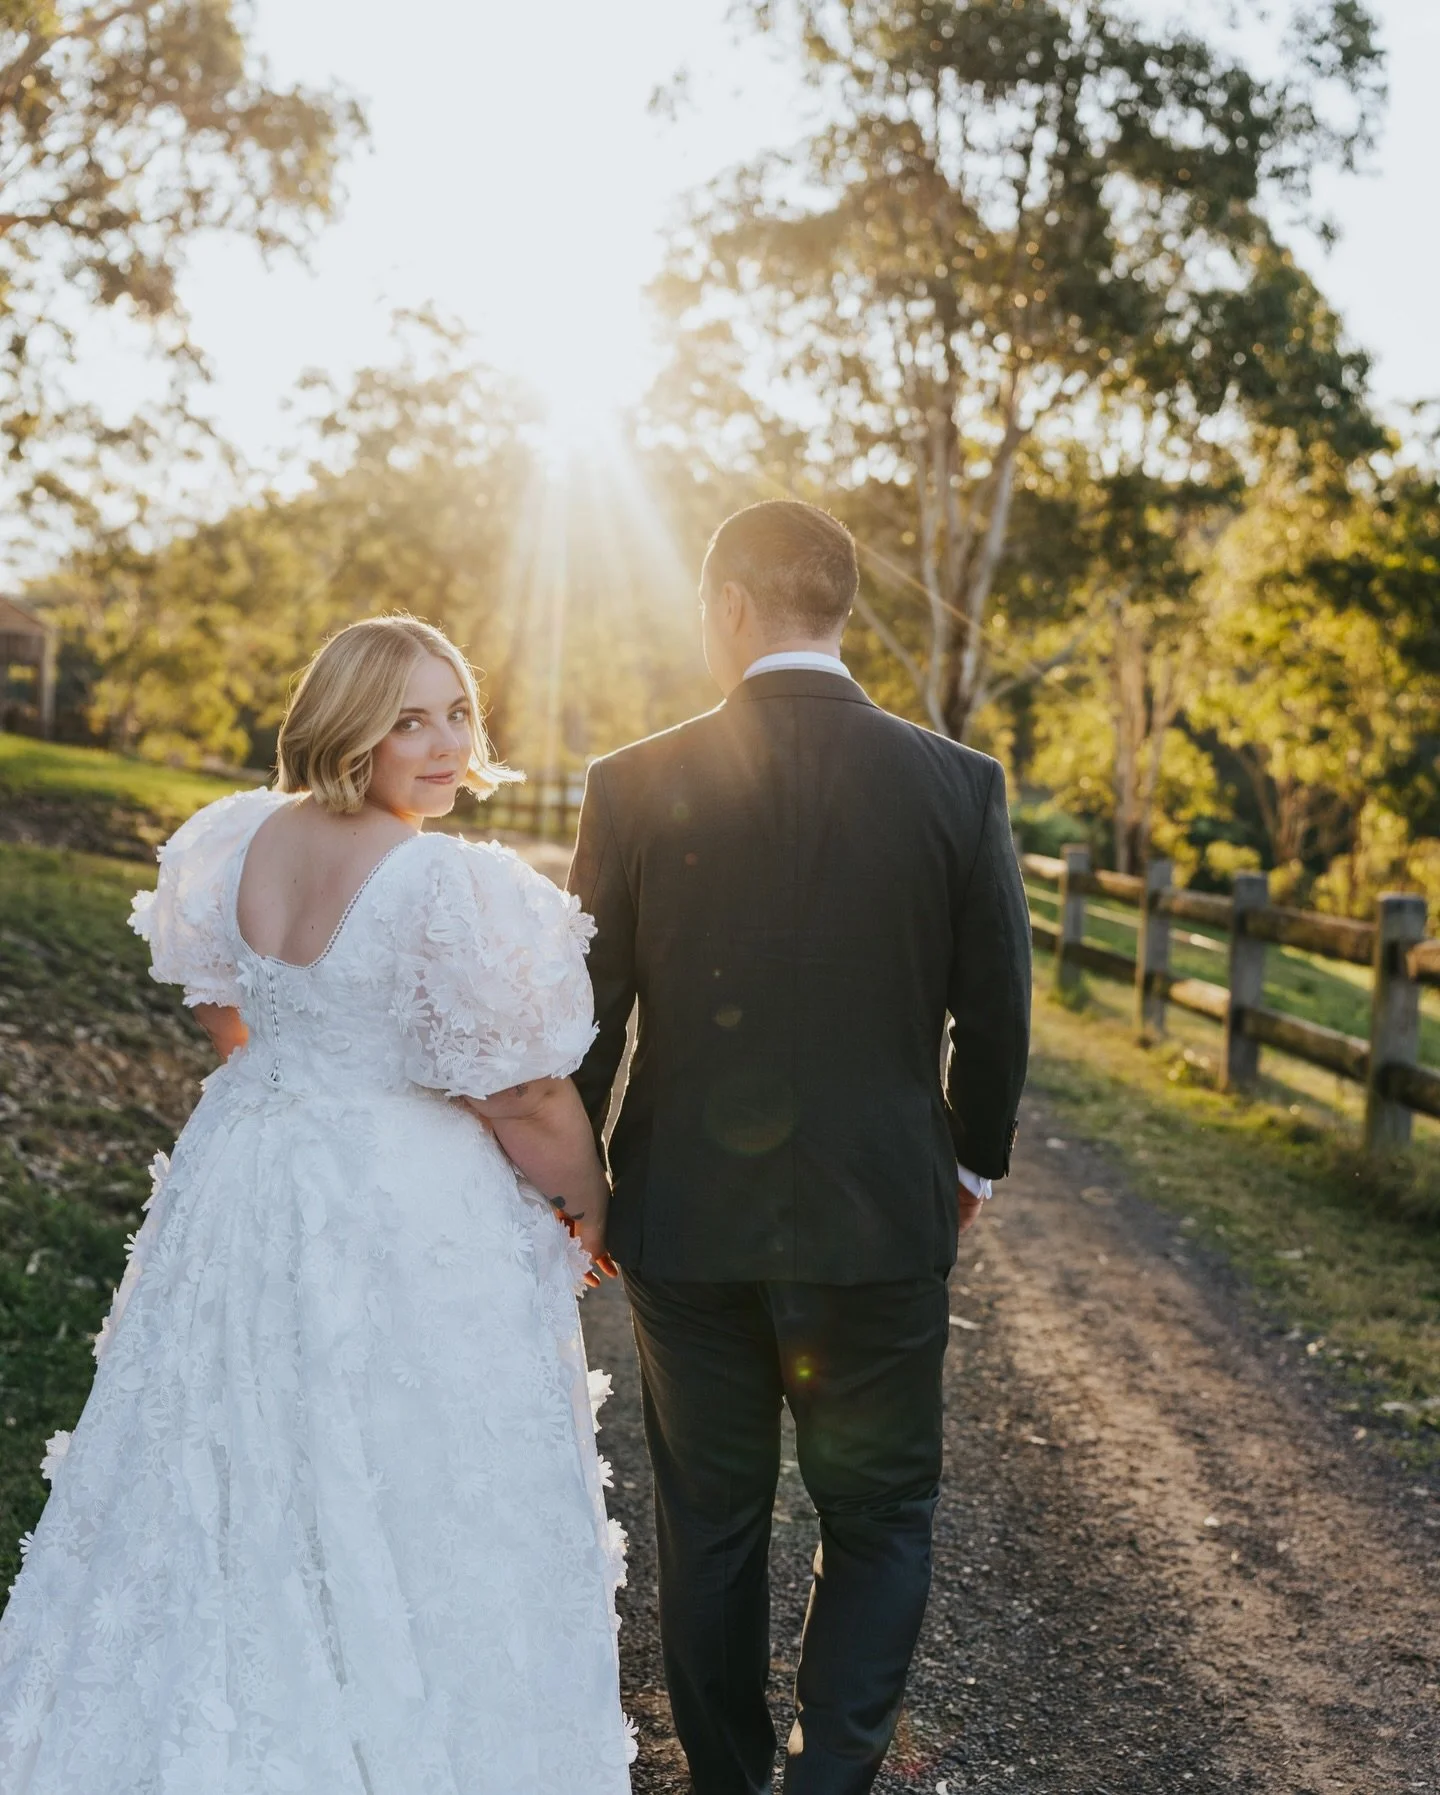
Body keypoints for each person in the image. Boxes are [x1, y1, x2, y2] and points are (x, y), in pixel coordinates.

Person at [0, 616, 635, 1794]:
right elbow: (527, 1091)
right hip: (399, 1203)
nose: (447, 744)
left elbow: (221, 1004)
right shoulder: (445, 881)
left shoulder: (242, 838)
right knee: (401, 1461)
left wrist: (294, 1074)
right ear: (350, 726)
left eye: (458, 712)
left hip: (248, 1172)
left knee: (236, 1440)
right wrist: (590, 1200)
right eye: (411, 720)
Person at [568, 499, 1032, 1795]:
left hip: (683, 1225)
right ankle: (824, 1781)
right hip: (882, 1220)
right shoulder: (957, 784)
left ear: (725, 609)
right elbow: (997, 1010)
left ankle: (727, 1781)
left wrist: (579, 1190)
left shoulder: (632, 781)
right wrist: (970, 1166)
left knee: (710, 1526)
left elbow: (583, 1022)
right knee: (879, 1516)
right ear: (838, 610)